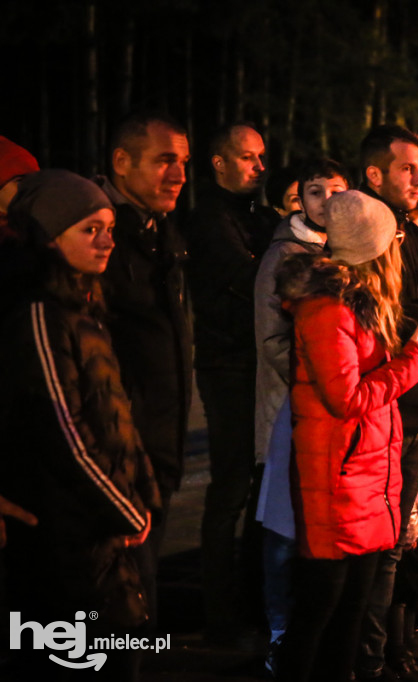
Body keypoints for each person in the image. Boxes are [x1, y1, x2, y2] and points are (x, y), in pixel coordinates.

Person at [0, 169, 161, 680]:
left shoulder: (80, 307)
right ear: (50, 236)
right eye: (90, 229)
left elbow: (112, 416)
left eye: (110, 227)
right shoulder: (40, 315)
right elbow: (64, 430)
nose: (107, 240)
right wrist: (125, 509)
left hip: (101, 529)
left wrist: (144, 491)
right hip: (69, 534)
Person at [274, 191, 418, 682]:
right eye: (395, 239)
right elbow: (346, 400)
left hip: (362, 481)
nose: (401, 246)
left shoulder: (360, 304)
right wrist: (414, 361)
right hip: (337, 482)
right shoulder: (328, 310)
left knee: (347, 617)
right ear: (374, 249)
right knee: (319, 617)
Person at [357, 124, 418, 682]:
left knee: (397, 539)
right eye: (407, 168)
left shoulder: (417, 239)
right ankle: (364, 654)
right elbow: (385, 323)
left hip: (415, 403)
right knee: (366, 543)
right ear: (374, 174)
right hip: (374, 405)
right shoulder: (357, 238)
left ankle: (390, 648)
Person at [96, 113, 193, 633]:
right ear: (121, 162)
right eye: (164, 161)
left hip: (159, 439)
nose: (178, 175)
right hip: (118, 449)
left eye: (183, 162)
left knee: (141, 586)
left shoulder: (162, 232)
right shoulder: (100, 237)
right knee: (123, 592)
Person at [253, 158, 348, 672]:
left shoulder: (339, 252)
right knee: (283, 532)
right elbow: (271, 338)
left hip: (327, 412)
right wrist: (320, 375)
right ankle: (279, 638)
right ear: (299, 200)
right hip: (291, 412)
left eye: (337, 191)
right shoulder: (284, 256)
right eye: (316, 192)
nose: (327, 202)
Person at [186, 122, 280, 640]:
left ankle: (246, 596)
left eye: (262, 157)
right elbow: (254, 279)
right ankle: (219, 610)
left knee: (260, 484)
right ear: (219, 162)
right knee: (231, 486)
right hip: (229, 366)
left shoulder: (259, 216)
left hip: (257, 364)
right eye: (248, 158)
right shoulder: (208, 219)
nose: (259, 167)